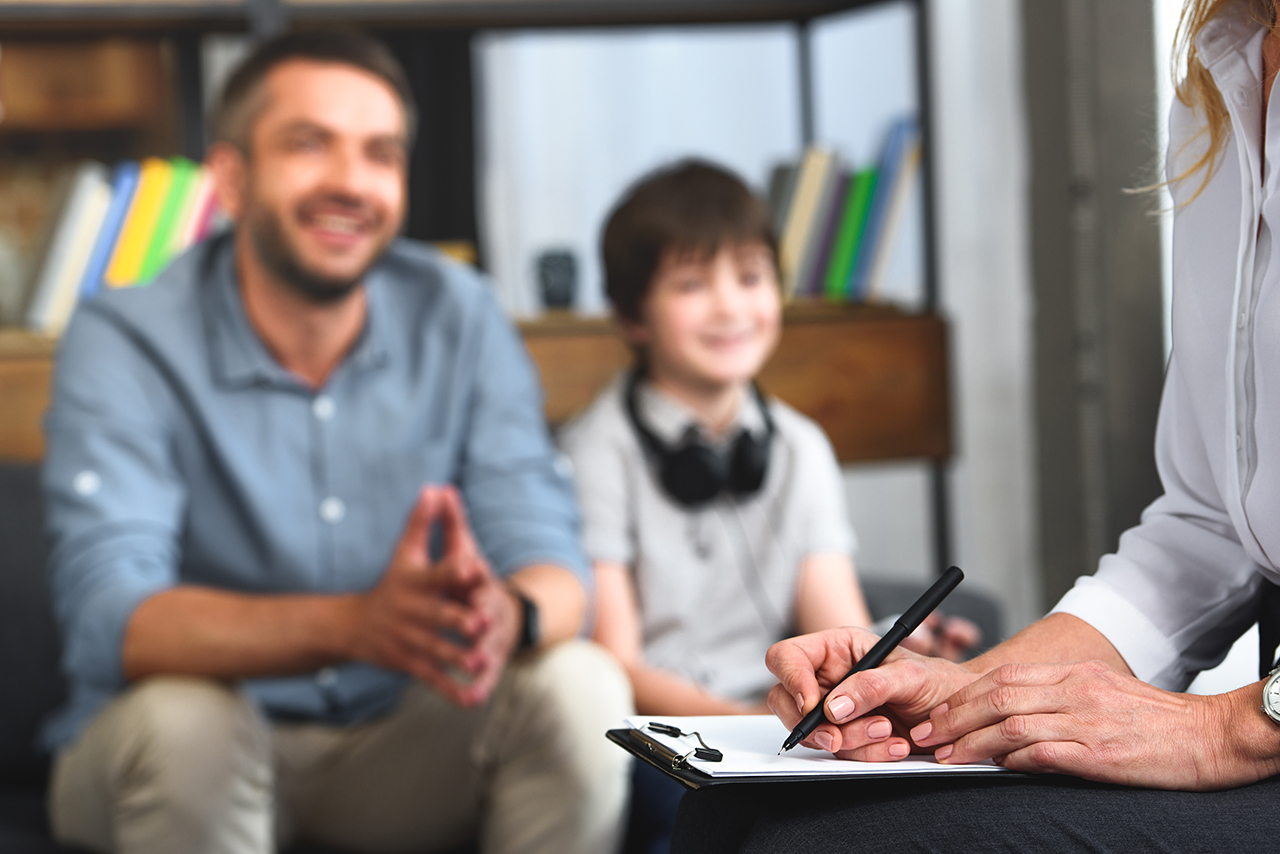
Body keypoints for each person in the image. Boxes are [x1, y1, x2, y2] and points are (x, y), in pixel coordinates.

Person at [669, 1, 1280, 850]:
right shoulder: (1222, 79)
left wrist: (1231, 727)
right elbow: (1214, 524)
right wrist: (972, 694)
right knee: (735, 814)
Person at [41, 31, 631, 854]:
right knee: (188, 722)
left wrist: (506, 613)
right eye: (309, 145)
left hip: (401, 745)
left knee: (579, 686)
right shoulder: (125, 336)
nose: (352, 183)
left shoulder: (460, 311)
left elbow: (556, 568)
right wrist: (358, 624)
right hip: (185, 754)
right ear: (231, 179)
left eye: (380, 153)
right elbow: (114, 618)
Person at [558, 160, 976, 853]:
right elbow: (615, 664)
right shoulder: (595, 451)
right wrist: (748, 721)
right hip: (662, 737)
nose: (730, 308)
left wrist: (886, 650)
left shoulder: (799, 447)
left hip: (778, 731)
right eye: (693, 285)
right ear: (632, 314)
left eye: (750, 278)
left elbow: (832, 625)